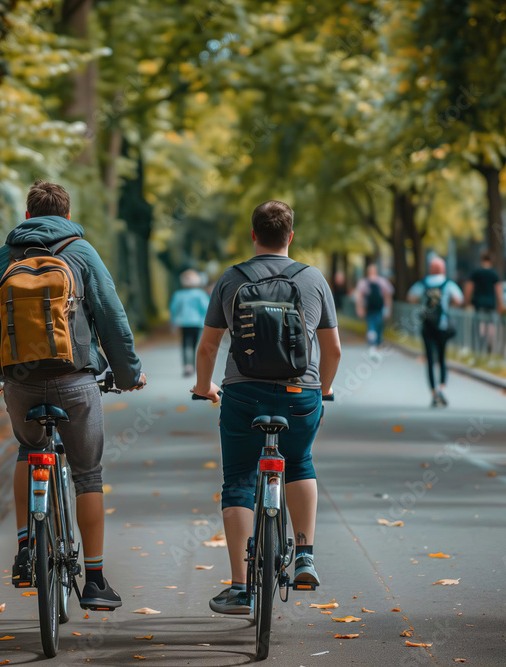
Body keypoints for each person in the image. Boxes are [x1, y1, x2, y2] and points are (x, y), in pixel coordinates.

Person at [0, 180, 147, 610]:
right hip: (76, 380)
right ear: (67, 216)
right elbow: (111, 316)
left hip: (20, 383)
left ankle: (26, 547)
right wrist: (128, 374)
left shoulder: (8, 254)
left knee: (28, 452)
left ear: (27, 216)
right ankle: (97, 581)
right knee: (88, 475)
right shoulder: (81, 252)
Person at [192, 200, 342, 615]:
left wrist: (204, 387)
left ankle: (241, 587)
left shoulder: (232, 279)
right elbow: (333, 349)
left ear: (254, 235)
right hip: (300, 394)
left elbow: (207, 345)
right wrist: (323, 389)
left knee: (238, 479)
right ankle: (306, 555)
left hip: (243, 394)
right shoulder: (313, 279)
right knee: (300, 461)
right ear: (290, 236)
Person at [406, 257, 464, 407]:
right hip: (443, 325)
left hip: (427, 325)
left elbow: (410, 297)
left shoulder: (423, 283)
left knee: (430, 360)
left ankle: (434, 391)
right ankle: (442, 388)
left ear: (430, 269)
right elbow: (459, 299)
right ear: (443, 269)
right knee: (442, 357)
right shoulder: (448, 284)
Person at [169, 269, 211, 377]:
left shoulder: (178, 294)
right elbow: (206, 308)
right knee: (196, 344)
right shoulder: (200, 294)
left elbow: (174, 308)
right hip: (198, 323)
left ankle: (187, 365)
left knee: (185, 344)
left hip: (183, 322)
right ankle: (196, 365)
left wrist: (173, 322)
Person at [463, 251, 503, 354]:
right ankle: (489, 345)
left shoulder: (476, 273)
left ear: (481, 260)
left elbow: (469, 288)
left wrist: (466, 302)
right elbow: (498, 290)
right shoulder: (494, 274)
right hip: (491, 304)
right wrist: (501, 305)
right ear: (491, 261)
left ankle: (480, 346)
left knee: (480, 325)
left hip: (479, 304)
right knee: (491, 326)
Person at [354, 264, 393, 358]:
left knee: (374, 327)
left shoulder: (366, 282)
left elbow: (387, 295)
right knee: (375, 326)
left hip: (375, 308)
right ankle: (375, 346)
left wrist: (359, 308)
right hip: (374, 308)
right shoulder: (380, 281)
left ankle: (374, 346)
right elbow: (387, 295)